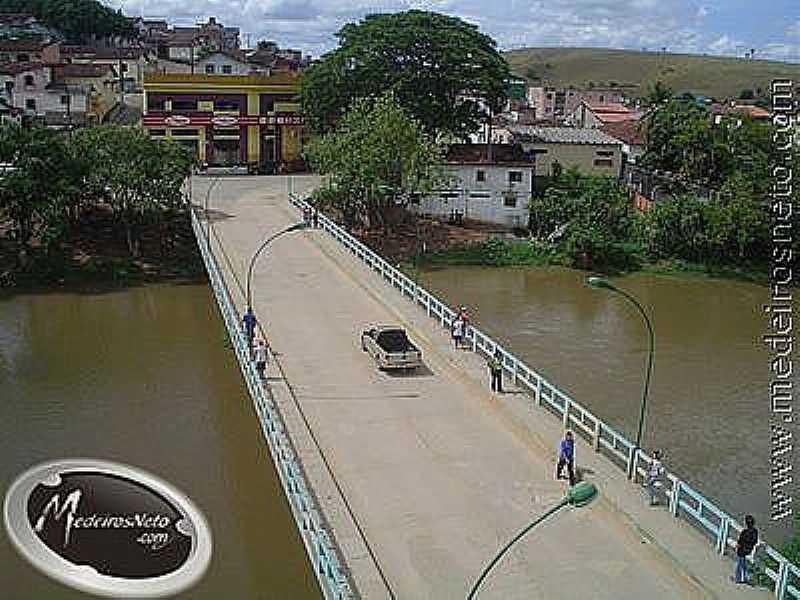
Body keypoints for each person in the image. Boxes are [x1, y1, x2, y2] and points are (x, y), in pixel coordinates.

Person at [734, 515, 758, 584]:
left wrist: (736, 548)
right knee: (743, 564)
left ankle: (738, 578)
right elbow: (755, 541)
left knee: (739, 564)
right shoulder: (755, 532)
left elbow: (739, 542)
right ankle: (745, 577)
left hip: (742, 551)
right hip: (749, 550)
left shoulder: (744, 532)